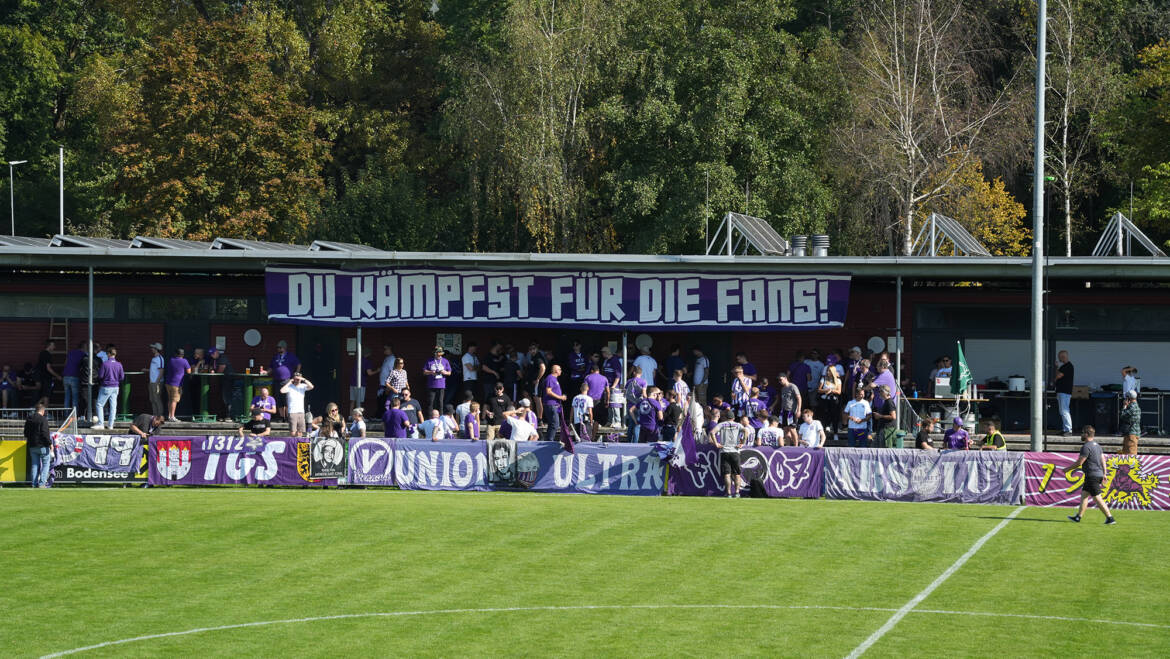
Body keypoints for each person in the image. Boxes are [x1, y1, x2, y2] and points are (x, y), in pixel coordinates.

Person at [1065, 426, 1116, 525]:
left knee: (1097, 498)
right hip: (1096, 474)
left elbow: (1080, 463)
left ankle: (1110, 518)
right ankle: (1078, 517)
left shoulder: (1086, 446)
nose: (1081, 434)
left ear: (1087, 434)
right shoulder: (1097, 446)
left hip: (1092, 475)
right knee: (1084, 496)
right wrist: (1104, 473)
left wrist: (1067, 469)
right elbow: (1103, 460)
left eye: (1083, 432)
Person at [710, 410, 744, 498]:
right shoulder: (738, 425)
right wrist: (742, 442)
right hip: (735, 451)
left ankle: (728, 493)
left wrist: (716, 443)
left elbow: (712, 432)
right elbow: (746, 431)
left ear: (726, 418)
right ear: (733, 418)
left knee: (727, 474)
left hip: (724, 451)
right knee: (737, 474)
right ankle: (737, 492)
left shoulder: (722, 424)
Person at [269, 340, 301, 421]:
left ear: (284, 348)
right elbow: (271, 368)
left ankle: (287, 417)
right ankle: (281, 417)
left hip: (287, 381)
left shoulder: (290, 356)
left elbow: (298, 364)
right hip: (277, 381)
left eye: (280, 348)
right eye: (278, 348)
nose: (278, 349)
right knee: (279, 400)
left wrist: (296, 373)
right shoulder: (275, 357)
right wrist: (266, 372)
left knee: (286, 399)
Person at [94, 346, 125, 429]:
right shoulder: (119, 364)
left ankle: (101, 423)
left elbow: (100, 376)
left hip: (106, 386)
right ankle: (111, 425)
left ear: (108, 354)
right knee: (113, 406)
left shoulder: (105, 364)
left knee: (99, 404)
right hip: (115, 387)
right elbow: (122, 377)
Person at [24, 402, 52, 488]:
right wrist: (50, 444)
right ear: (43, 411)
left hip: (32, 445)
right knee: (46, 464)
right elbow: (45, 434)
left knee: (34, 465)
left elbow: (25, 433)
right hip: (43, 445)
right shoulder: (43, 420)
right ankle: (42, 483)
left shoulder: (29, 419)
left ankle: (34, 483)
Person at [422, 346, 453, 415]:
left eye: (440, 353)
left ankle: (441, 417)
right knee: (431, 402)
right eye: (437, 353)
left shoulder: (445, 361)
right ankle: (430, 418)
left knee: (440, 402)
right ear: (435, 353)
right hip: (431, 385)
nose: (439, 355)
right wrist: (431, 372)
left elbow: (449, 372)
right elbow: (424, 372)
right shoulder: (429, 360)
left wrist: (444, 372)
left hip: (441, 385)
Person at [541, 364, 568, 443]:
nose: (561, 371)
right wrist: (560, 397)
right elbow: (548, 391)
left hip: (554, 404)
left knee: (552, 423)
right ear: (556, 370)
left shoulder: (555, 379)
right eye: (560, 369)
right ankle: (550, 441)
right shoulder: (550, 378)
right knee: (555, 424)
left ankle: (548, 440)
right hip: (551, 404)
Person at [165, 348, 191, 422]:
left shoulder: (171, 360)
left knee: (170, 399)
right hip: (177, 383)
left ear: (176, 354)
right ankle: (172, 417)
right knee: (174, 400)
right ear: (182, 354)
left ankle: (170, 416)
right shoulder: (184, 361)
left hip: (168, 383)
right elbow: (189, 371)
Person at [817, 364, 842, 437]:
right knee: (825, 415)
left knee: (835, 416)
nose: (828, 372)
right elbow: (819, 390)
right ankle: (824, 431)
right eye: (827, 370)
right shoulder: (823, 379)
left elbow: (839, 391)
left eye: (829, 371)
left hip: (834, 400)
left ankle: (835, 433)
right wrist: (826, 390)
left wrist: (831, 391)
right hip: (825, 400)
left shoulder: (838, 380)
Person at [1053, 350, 1074, 436]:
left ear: (1063, 357)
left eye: (1059, 357)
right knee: (1062, 410)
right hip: (1062, 391)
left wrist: (1056, 367)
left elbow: (1058, 376)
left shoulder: (1068, 366)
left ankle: (1068, 429)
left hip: (1064, 392)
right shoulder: (1065, 366)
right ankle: (1065, 428)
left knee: (1065, 410)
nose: (1058, 359)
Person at [62, 340, 86, 413]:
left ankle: (66, 415)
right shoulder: (83, 354)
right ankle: (73, 416)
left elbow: (65, 363)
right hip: (74, 376)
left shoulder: (70, 352)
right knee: (75, 398)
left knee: (67, 397)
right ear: (84, 347)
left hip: (65, 376)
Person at [146, 342, 165, 417]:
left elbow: (161, 371)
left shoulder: (160, 359)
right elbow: (154, 370)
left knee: (157, 399)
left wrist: (157, 382)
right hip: (152, 382)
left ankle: (159, 415)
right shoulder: (154, 358)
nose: (151, 349)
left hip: (156, 382)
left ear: (156, 349)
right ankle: (155, 415)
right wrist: (147, 370)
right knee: (152, 399)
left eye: (153, 348)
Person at [1119, 389, 1141, 455]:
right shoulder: (1136, 406)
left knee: (1130, 454)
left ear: (1129, 398)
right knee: (1126, 453)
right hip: (1132, 433)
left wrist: (1124, 406)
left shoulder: (1132, 407)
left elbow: (1122, 416)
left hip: (1131, 434)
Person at [376, 344, 397, 409]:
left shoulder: (392, 359)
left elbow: (392, 373)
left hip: (386, 385)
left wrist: (389, 385)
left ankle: (383, 417)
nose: (384, 350)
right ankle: (379, 416)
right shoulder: (387, 358)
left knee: (385, 402)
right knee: (380, 400)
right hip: (382, 384)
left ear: (390, 349)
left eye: (386, 349)